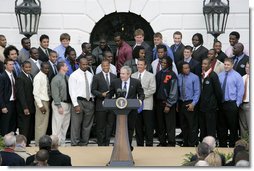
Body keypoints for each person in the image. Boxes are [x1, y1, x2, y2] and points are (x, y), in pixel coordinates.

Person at [107, 66, 145, 150]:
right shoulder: (115, 82)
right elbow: (109, 94)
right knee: (119, 129)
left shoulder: (136, 82)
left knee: (130, 129)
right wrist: (106, 100)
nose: (121, 75)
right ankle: (118, 148)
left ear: (129, 74)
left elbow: (141, 94)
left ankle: (128, 147)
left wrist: (140, 100)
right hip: (118, 111)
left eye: (123, 74)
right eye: (120, 73)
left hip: (131, 111)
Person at [218, 58, 244, 147]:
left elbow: (240, 91)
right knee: (222, 127)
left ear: (232, 65)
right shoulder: (220, 75)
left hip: (232, 104)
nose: (226, 66)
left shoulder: (237, 76)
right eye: (225, 64)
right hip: (222, 104)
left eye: (228, 65)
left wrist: (237, 104)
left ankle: (233, 145)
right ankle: (222, 145)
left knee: (233, 127)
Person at [69, 58, 94, 146]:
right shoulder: (74, 75)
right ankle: (75, 143)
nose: (85, 66)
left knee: (87, 125)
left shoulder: (90, 75)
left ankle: (84, 143)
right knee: (76, 124)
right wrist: (75, 104)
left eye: (86, 64)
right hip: (79, 101)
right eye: (83, 64)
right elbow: (72, 91)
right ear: (79, 64)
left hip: (89, 101)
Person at [91, 59, 117, 146]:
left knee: (110, 125)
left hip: (111, 104)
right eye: (104, 66)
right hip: (100, 104)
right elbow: (93, 90)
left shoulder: (114, 76)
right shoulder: (96, 76)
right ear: (101, 67)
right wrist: (101, 94)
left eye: (107, 65)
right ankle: (101, 144)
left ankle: (107, 143)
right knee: (100, 126)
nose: (106, 67)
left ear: (110, 66)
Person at [131, 58, 156, 146]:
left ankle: (149, 145)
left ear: (145, 66)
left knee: (148, 126)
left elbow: (152, 89)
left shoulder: (151, 76)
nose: (139, 66)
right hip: (136, 105)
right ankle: (140, 145)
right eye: (138, 64)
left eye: (141, 64)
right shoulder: (133, 75)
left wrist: (141, 96)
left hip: (147, 104)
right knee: (138, 126)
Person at [155, 57, 178, 147]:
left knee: (170, 124)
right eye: (162, 62)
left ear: (169, 63)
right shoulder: (159, 74)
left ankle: (171, 142)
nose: (163, 64)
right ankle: (162, 142)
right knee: (160, 124)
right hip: (158, 103)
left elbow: (174, 91)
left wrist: (169, 104)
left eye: (165, 63)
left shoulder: (172, 75)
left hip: (168, 103)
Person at [178, 62, 200, 147]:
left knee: (192, 125)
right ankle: (185, 143)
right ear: (181, 69)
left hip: (190, 102)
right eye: (185, 68)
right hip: (181, 102)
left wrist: (193, 104)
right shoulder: (179, 77)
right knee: (183, 125)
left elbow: (197, 92)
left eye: (188, 68)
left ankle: (192, 144)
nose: (187, 69)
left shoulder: (194, 77)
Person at [199, 58, 222, 140]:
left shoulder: (213, 75)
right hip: (202, 107)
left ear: (210, 65)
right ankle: (203, 147)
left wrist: (215, 104)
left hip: (211, 107)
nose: (203, 65)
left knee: (210, 128)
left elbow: (218, 92)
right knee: (203, 128)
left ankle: (211, 146)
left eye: (205, 64)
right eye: (202, 64)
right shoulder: (202, 75)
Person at [51, 62, 72, 146]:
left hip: (68, 104)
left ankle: (62, 142)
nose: (67, 67)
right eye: (66, 66)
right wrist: (59, 106)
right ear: (62, 67)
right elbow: (55, 94)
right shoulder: (56, 79)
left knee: (65, 125)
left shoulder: (67, 77)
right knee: (57, 125)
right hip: (60, 104)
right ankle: (55, 144)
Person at [15, 61, 35, 145]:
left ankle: (28, 143)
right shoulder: (20, 77)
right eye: (26, 67)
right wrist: (25, 107)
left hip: (31, 106)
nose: (28, 69)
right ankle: (22, 144)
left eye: (29, 67)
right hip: (24, 108)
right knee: (24, 127)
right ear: (22, 67)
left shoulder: (30, 76)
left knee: (30, 126)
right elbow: (21, 94)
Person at [33, 62, 51, 145]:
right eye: (45, 68)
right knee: (40, 124)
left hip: (46, 101)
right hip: (41, 102)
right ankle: (38, 142)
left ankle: (42, 142)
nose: (47, 70)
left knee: (44, 123)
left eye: (48, 68)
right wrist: (40, 106)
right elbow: (35, 93)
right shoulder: (38, 77)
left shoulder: (44, 76)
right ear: (41, 68)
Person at [0, 58, 17, 136]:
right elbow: (1, 93)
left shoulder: (14, 74)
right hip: (7, 104)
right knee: (5, 124)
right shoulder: (2, 76)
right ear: (5, 65)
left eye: (13, 64)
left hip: (14, 102)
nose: (12, 66)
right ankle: (4, 142)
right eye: (10, 64)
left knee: (12, 123)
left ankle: (11, 141)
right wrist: (3, 106)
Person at [239, 62, 249, 138]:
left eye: (249, 67)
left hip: (250, 104)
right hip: (242, 104)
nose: (247, 69)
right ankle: (244, 142)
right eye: (246, 67)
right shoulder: (242, 78)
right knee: (243, 125)